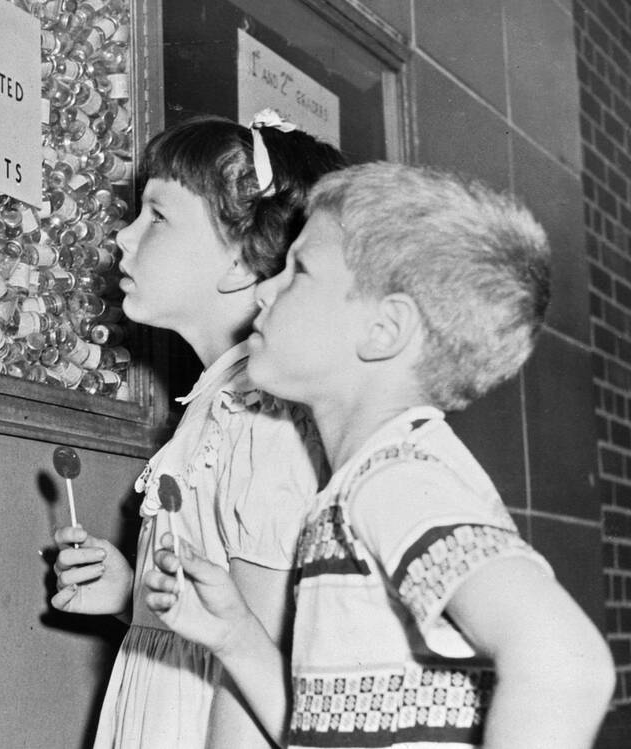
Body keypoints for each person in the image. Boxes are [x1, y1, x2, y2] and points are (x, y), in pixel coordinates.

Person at [143, 162, 615, 749]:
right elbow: (323, 731)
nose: (264, 289)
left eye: (299, 270)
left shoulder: (393, 481)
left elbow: (566, 664)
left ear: (384, 330)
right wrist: (235, 634)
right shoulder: (359, 489)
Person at [51, 112, 344, 748]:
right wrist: (133, 593)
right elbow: (209, 604)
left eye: (156, 217)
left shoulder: (264, 415)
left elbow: (251, 649)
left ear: (240, 264)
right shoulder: (218, 397)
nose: (124, 239)